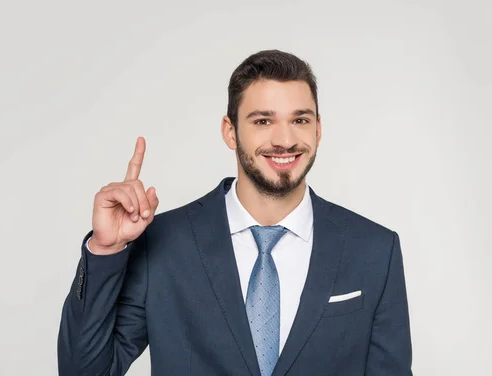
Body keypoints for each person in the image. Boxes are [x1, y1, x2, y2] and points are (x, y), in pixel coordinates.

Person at [57, 49, 412, 375]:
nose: (284, 139)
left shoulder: (375, 251)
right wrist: (105, 251)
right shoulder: (163, 245)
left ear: (318, 130)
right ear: (230, 132)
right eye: (262, 121)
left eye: (300, 120)